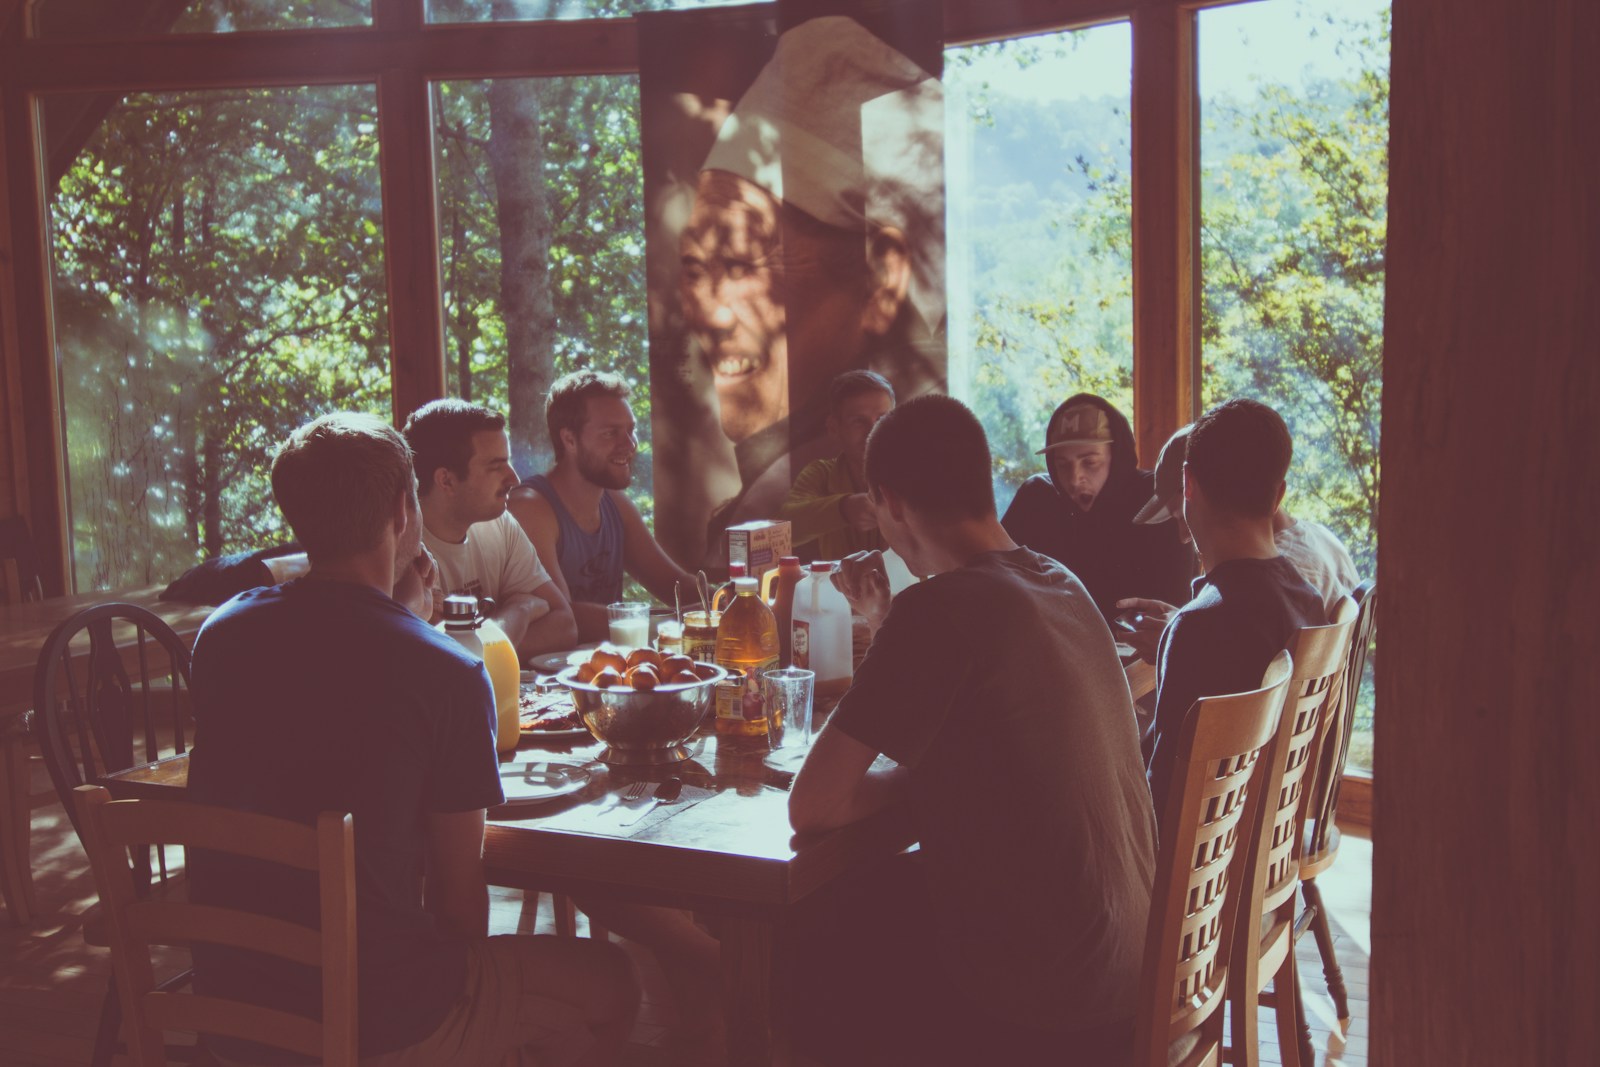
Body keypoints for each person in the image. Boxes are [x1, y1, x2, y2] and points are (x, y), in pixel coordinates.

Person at [185, 412, 637, 1066]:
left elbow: (324, 685)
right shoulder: (446, 669)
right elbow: (459, 906)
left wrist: (401, 612)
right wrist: (407, 624)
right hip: (380, 1020)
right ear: (404, 509)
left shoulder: (221, 636)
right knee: (613, 982)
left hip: (235, 1004)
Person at [787, 395, 1156, 1064]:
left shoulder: (939, 609)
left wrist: (912, 773)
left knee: (811, 930)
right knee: (877, 901)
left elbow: (815, 804)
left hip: (1051, 1007)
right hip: (1135, 973)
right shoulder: (1058, 580)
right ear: (983, 483)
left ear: (889, 503)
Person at [672, 15, 947, 565]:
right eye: (696, 270)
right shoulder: (809, 477)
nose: (710, 315)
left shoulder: (921, 479)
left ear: (880, 278)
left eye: (744, 261)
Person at [1136, 399, 1327, 820]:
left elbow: (1161, 800)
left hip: (1190, 881)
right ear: (1278, 495)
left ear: (1187, 486)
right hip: (1258, 850)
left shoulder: (1196, 627)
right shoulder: (1308, 602)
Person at [1118, 423, 1361, 663]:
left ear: (1199, 490)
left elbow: (1254, 676)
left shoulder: (1281, 577)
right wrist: (1180, 626)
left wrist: (1176, 640)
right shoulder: (1318, 538)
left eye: (1182, 515)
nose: (1183, 536)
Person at [508, 370, 696, 643]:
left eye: (630, 430)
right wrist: (672, 623)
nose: (629, 445)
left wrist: (733, 599)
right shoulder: (531, 508)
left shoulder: (613, 502)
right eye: (611, 433)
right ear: (569, 440)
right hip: (544, 682)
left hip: (608, 672)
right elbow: (565, 617)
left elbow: (675, 585)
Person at [402, 398, 578, 660]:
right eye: (496, 467)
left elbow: (564, 625)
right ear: (446, 480)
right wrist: (520, 610)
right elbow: (446, 660)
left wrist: (482, 645)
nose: (514, 478)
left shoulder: (499, 523)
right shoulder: (400, 546)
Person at [1001, 392, 1193, 619]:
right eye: (1062, 465)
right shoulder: (1038, 499)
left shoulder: (1156, 501)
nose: (1074, 479)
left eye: (1090, 462)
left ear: (1117, 456)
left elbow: (1176, 606)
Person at [776, 369, 895, 562]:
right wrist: (843, 509)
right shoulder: (821, 475)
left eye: (882, 419)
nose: (873, 431)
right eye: (859, 422)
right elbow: (784, 530)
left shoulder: (914, 473)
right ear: (834, 428)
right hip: (840, 590)